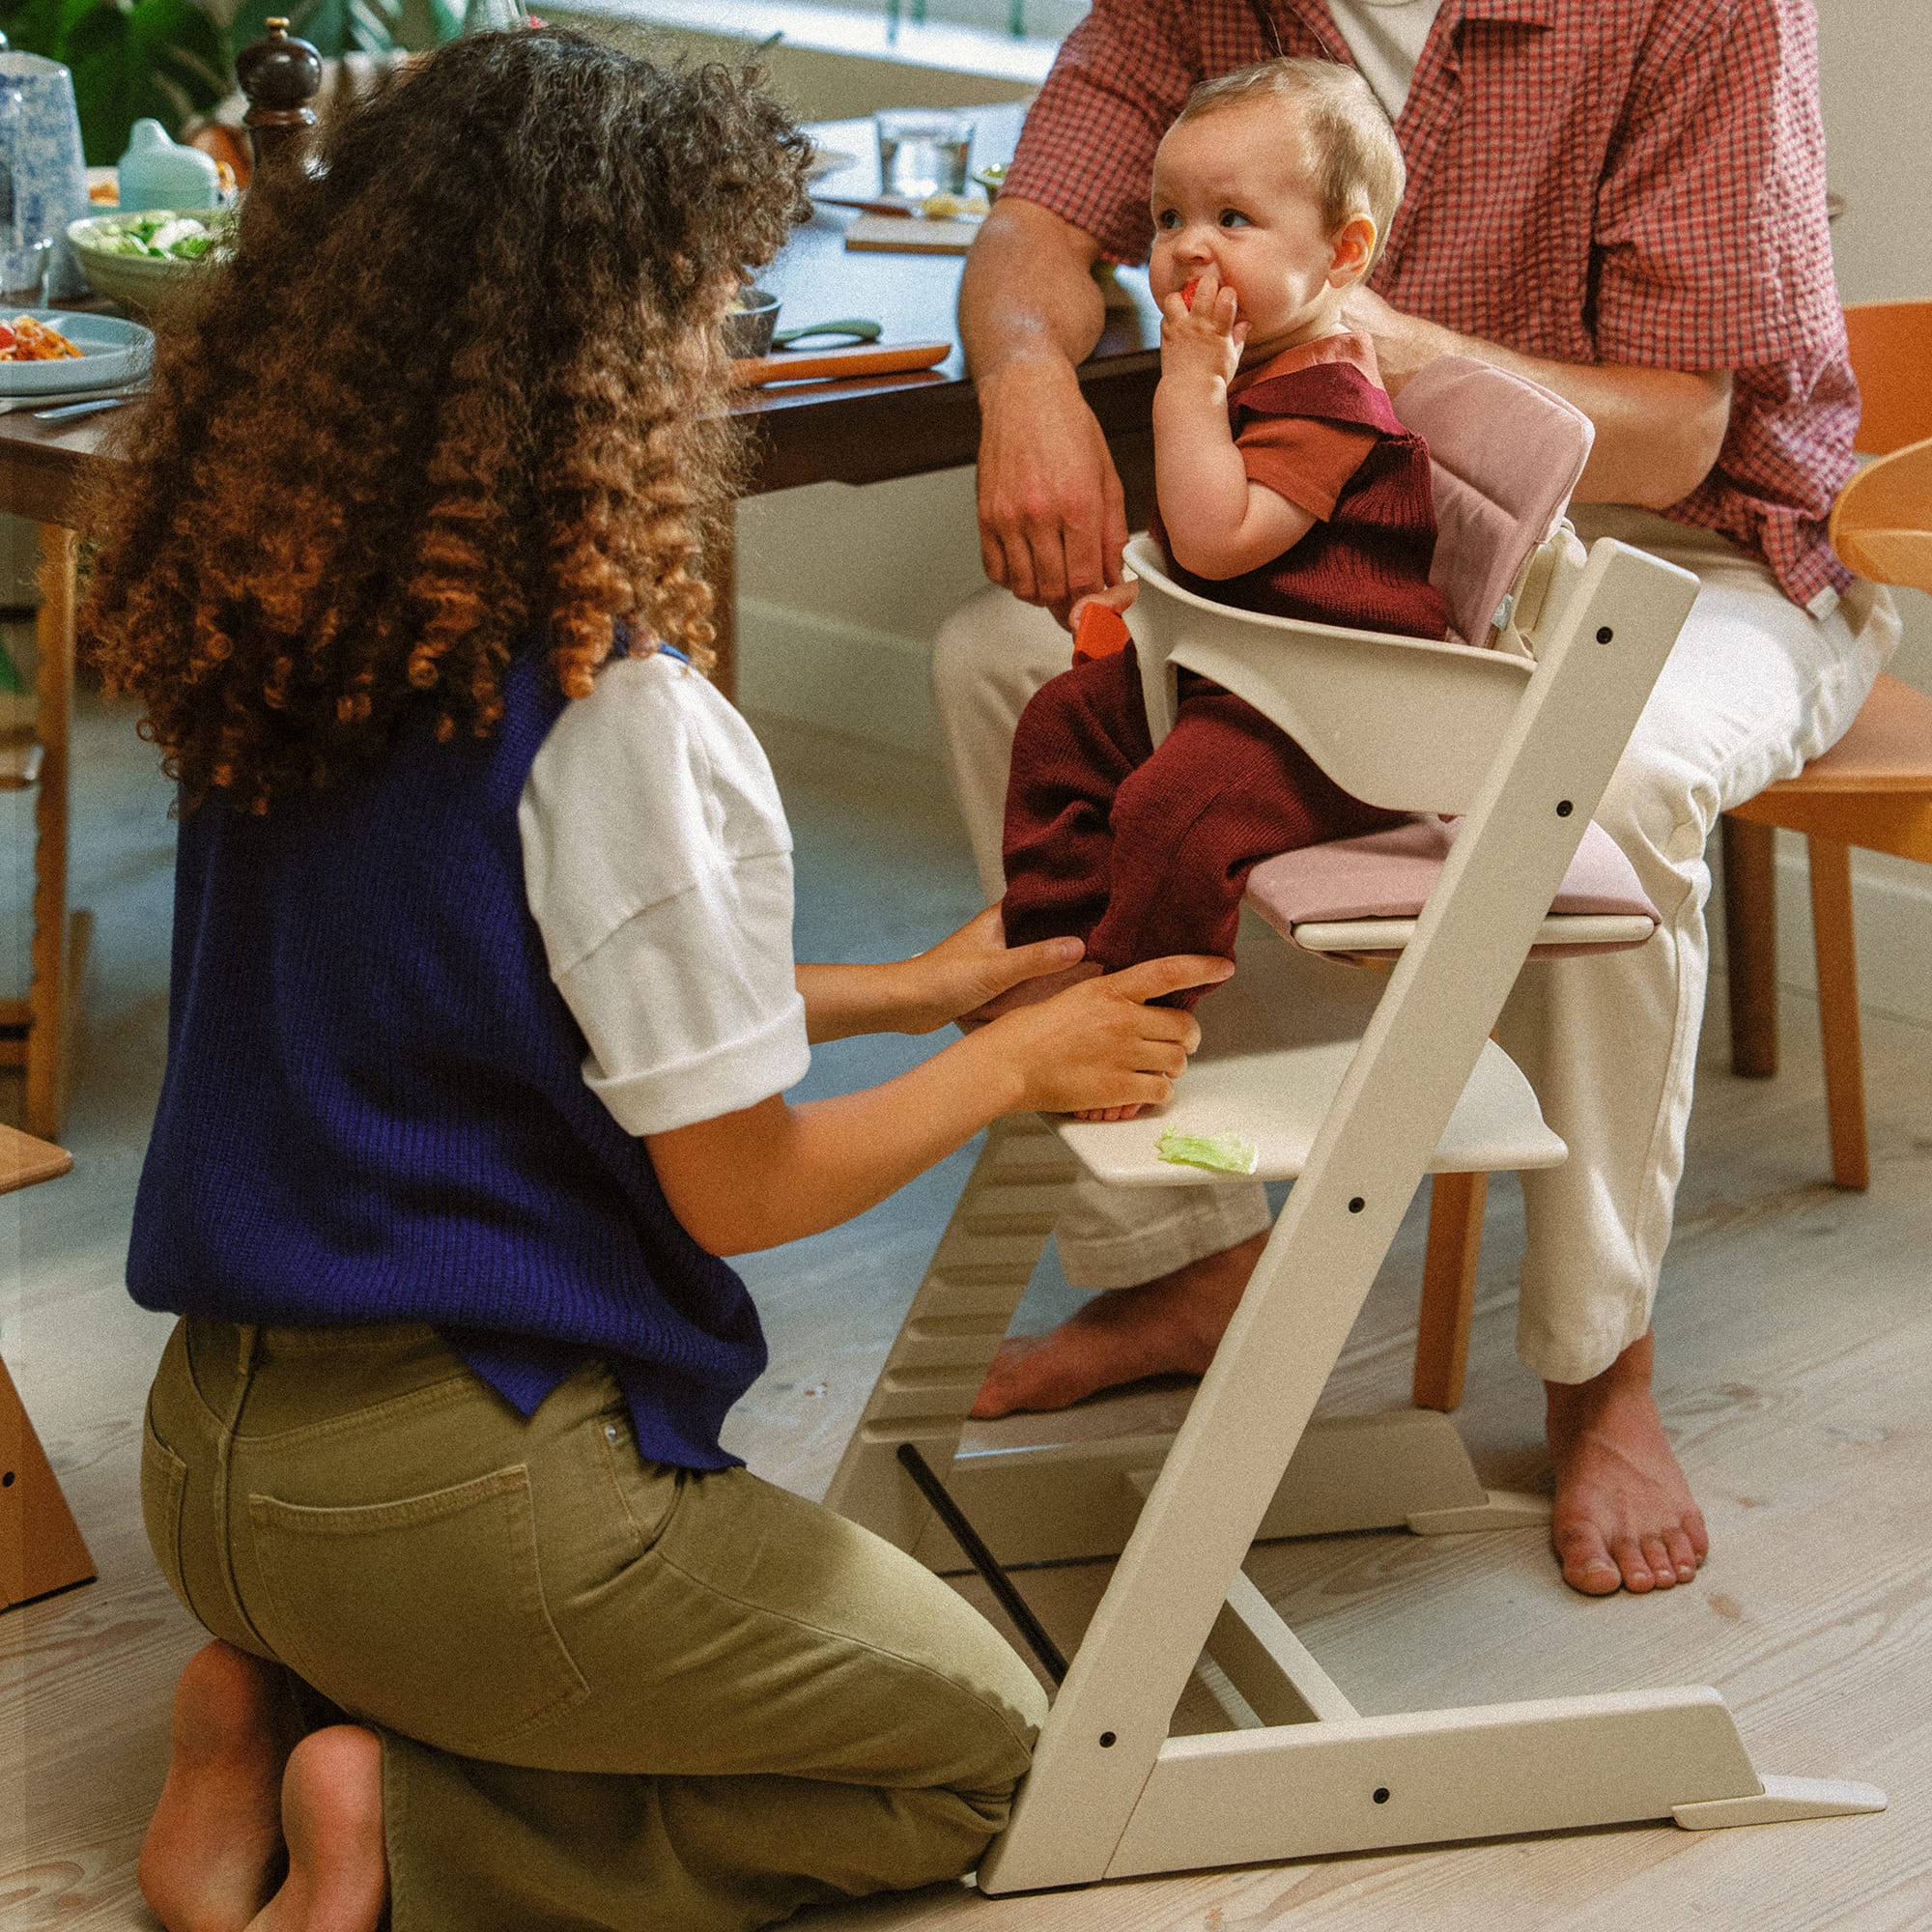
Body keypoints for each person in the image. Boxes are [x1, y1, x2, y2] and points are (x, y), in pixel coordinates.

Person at [85, 34, 1231, 1932]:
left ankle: (264, 1704)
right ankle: (401, 1816)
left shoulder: (300, 626)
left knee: (609, 1641)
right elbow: (742, 1185)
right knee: (990, 1757)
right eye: (715, 306)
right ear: (607, 353)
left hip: (215, 1463)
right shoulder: (625, 715)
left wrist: (901, 988)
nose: (732, 352)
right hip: (461, 1504)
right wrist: (1019, 1059)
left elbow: (509, 996)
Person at [935, 0, 1899, 1598]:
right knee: (995, 663)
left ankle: (1603, 1360)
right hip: (1366, 532)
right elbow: (1043, 211)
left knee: (1611, 771)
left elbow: (1678, 436)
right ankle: (1194, 1259)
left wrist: (1380, 342)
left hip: (1699, 552)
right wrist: (1028, 368)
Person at [1001, 61, 1446, 1091]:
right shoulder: (1264, 364)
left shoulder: (1330, 395)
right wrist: (1146, 592)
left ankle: (1128, 1022)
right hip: (1251, 672)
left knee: (1177, 808)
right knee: (1061, 723)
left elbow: (1215, 533)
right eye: (1167, 216)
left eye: (1232, 217)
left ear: (1342, 252)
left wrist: (1186, 390)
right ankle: (1052, 954)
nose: (1185, 245)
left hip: (1343, 719)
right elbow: (1206, 557)